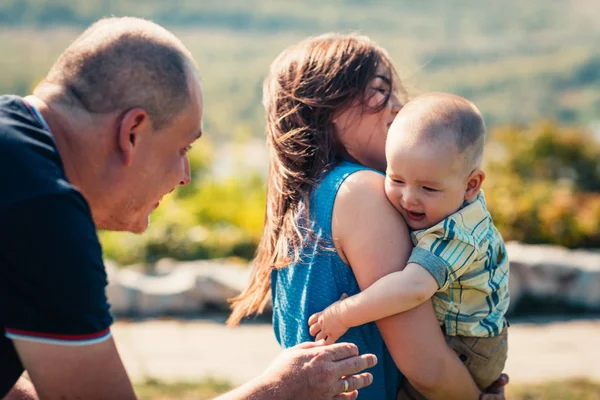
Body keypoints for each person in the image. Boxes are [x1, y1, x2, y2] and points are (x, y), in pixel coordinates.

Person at [0, 17, 376, 400]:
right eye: (182, 149)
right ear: (133, 132)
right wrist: (277, 390)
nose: (185, 176)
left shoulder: (15, 160)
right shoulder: (44, 211)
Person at [228, 34, 508, 399]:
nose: (397, 106)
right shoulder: (361, 192)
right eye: (379, 90)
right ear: (326, 104)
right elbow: (425, 365)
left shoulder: (304, 201)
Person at [308, 92, 510, 397]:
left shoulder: (457, 233)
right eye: (396, 180)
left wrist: (345, 313)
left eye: (428, 188)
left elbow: (412, 288)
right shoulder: (441, 206)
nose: (409, 198)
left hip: (469, 344)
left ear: (471, 185)